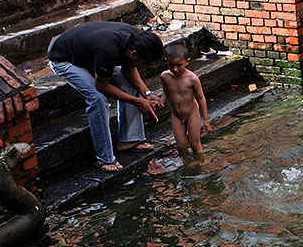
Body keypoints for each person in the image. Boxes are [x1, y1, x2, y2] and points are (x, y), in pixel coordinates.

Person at [47, 21, 164, 172]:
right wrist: (137, 101)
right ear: (134, 54)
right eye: (147, 63)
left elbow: (130, 67)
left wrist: (147, 94)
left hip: (90, 53)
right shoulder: (109, 50)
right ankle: (105, 157)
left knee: (130, 85)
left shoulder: (135, 38)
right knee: (97, 99)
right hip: (64, 58)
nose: (147, 67)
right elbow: (101, 86)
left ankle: (129, 140)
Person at [160, 43, 211, 155]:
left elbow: (201, 98)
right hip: (176, 115)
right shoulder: (165, 76)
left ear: (187, 61)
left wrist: (206, 120)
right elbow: (165, 92)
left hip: (192, 113)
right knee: (181, 146)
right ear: (166, 61)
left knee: (195, 144)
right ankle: (186, 166)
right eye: (171, 65)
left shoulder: (192, 78)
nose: (175, 69)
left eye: (179, 65)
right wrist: (161, 101)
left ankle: (200, 166)